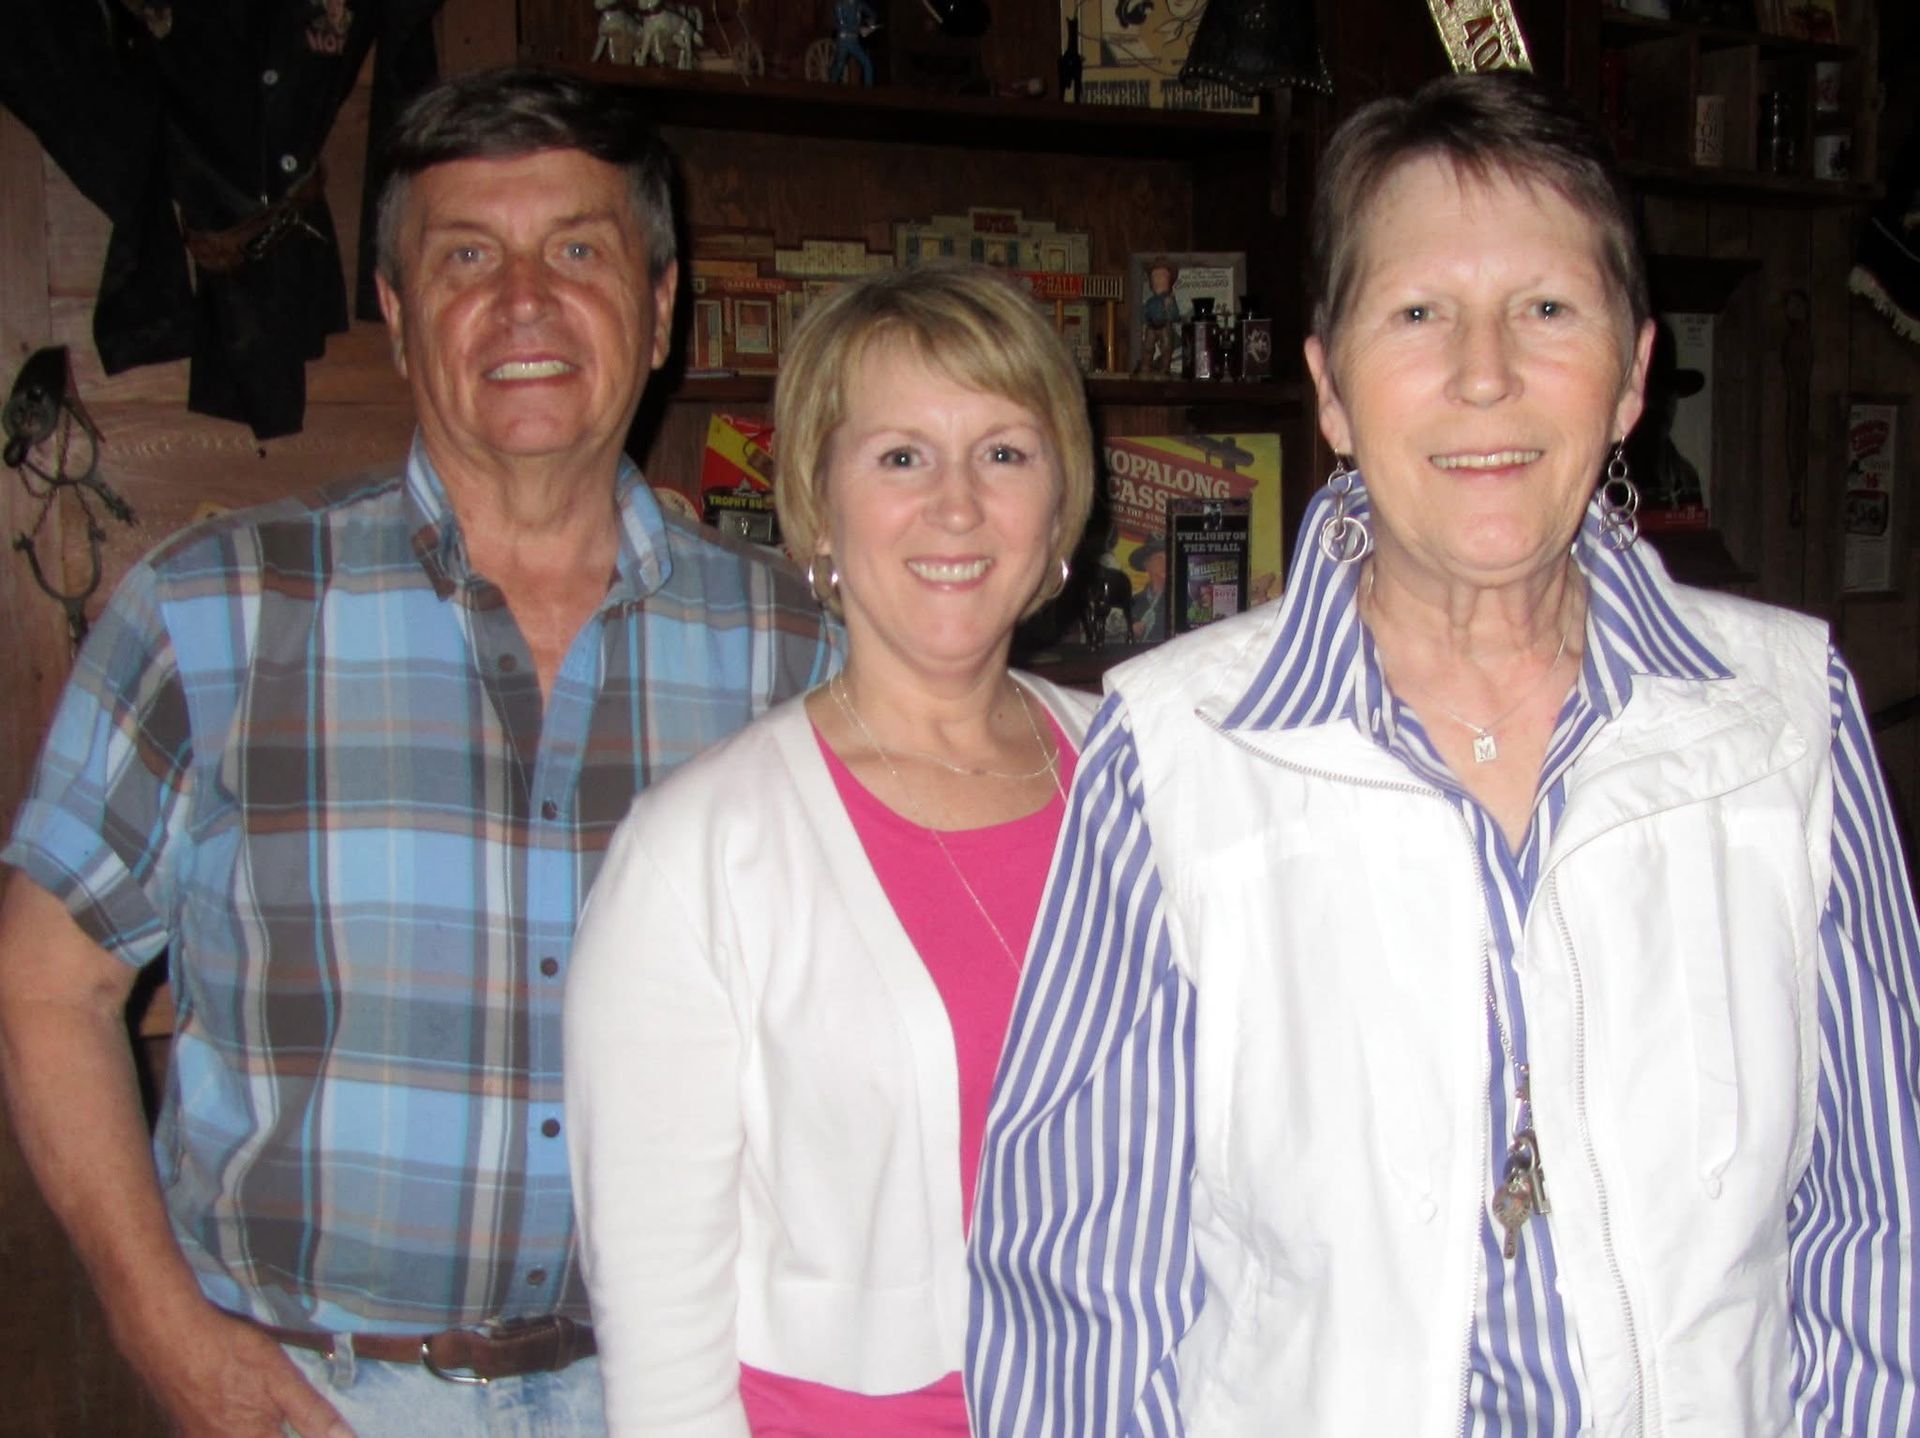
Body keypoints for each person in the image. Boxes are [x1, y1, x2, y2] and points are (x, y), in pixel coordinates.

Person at [969, 73, 1920, 1434]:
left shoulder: (1788, 719)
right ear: (1334, 390)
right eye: (1418, 313)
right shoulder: (1173, 752)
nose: (1486, 372)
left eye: (1547, 308)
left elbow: (1885, 1233)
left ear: (1634, 374)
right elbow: (1083, 1305)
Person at [0, 67, 833, 1438]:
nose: (524, 299)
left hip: (686, 1386)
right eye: (465, 256)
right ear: (396, 312)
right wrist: (164, 1332)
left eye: (578, 248)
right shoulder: (211, 609)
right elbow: (48, 987)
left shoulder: (793, 646)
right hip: (311, 1393)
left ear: (663, 301)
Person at [564, 262, 1098, 1436]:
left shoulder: (1147, 776)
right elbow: (659, 1324)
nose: (956, 505)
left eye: (1004, 452)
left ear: (1060, 500)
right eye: (900, 456)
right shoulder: (702, 851)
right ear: (820, 502)